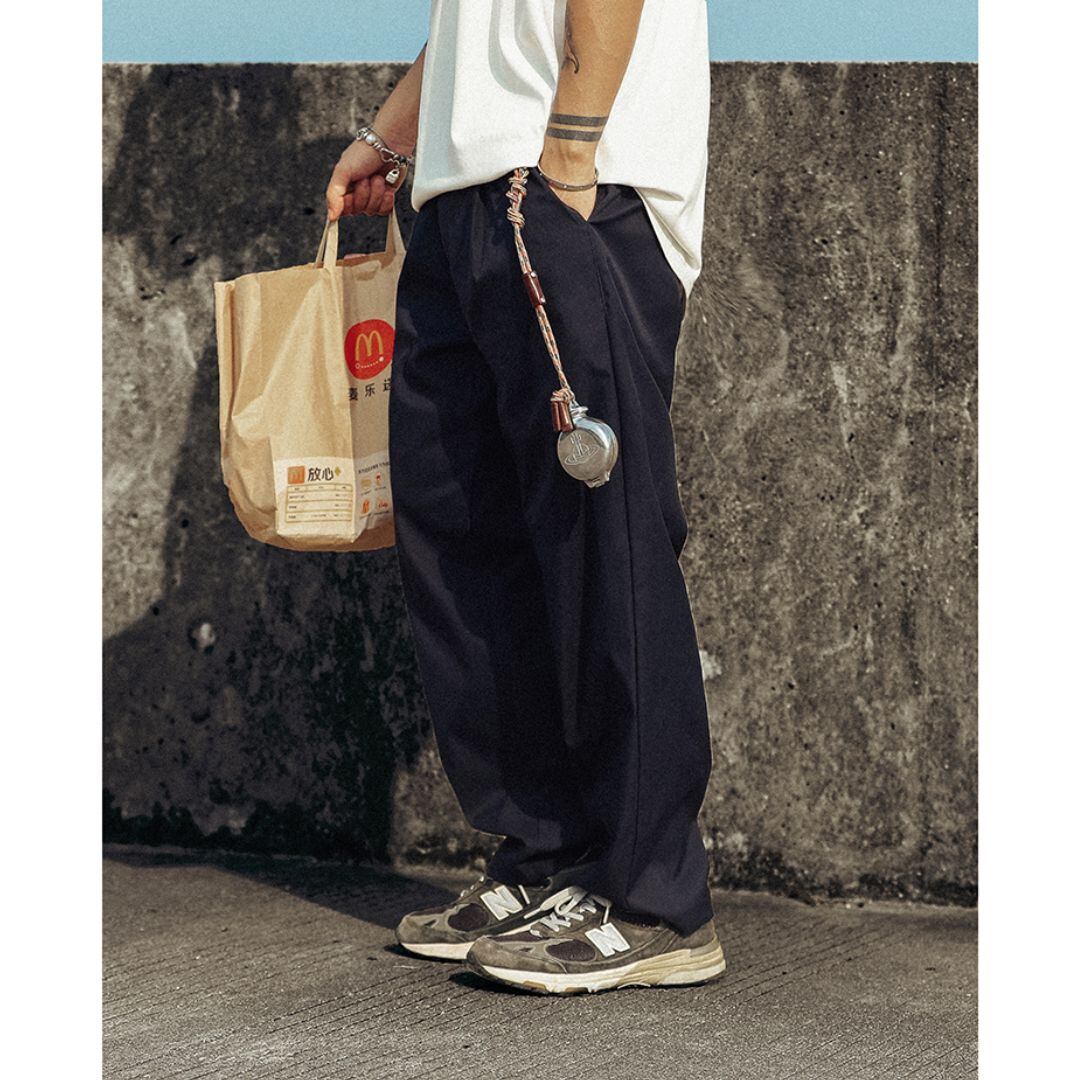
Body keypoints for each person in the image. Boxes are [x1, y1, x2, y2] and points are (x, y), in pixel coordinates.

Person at [326, 0, 724, 995]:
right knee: (464, 531)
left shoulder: (568, 171)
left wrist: (570, 152)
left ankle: (654, 897)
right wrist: (394, 134)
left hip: (568, 181)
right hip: (461, 192)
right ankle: (547, 854)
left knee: (604, 539)